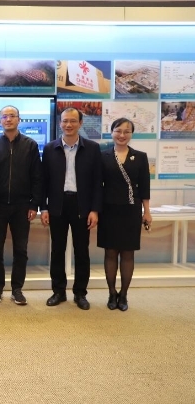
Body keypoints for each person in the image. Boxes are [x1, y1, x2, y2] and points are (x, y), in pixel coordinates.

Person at [41, 108, 102, 311]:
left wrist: (95, 210)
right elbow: (43, 181)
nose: (68, 125)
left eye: (73, 121)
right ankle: (58, 291)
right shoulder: (50, 148)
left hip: (82, 205)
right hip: (57, 204)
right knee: (57, 250)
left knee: (81, 251)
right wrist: (44, 208)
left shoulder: (92, 148)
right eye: (65, 121)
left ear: (80, 123)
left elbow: (97, 182)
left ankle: (80, 293)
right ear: (60, 123)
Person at [0, 105, 42, 305]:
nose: (8, 119)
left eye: (12, 116)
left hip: (22, 205)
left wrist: (34, 205)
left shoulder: (30, 145)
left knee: (21, 250)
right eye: (4, 116)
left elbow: (37, 177)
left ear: (19, 119)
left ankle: (17, 289)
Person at [98, 118, 151, 311]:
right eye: (118, 131)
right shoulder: (102, 156)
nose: (122, 135)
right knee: (110, 253)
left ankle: (124, 295)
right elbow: (97, 186)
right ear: (111, 132)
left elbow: (144, 187)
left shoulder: (140, 157)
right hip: (108, 209)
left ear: (131, 134)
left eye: (126, 132)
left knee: (128, 253)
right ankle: (112, 293)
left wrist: (147, 211)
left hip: (131, 210)